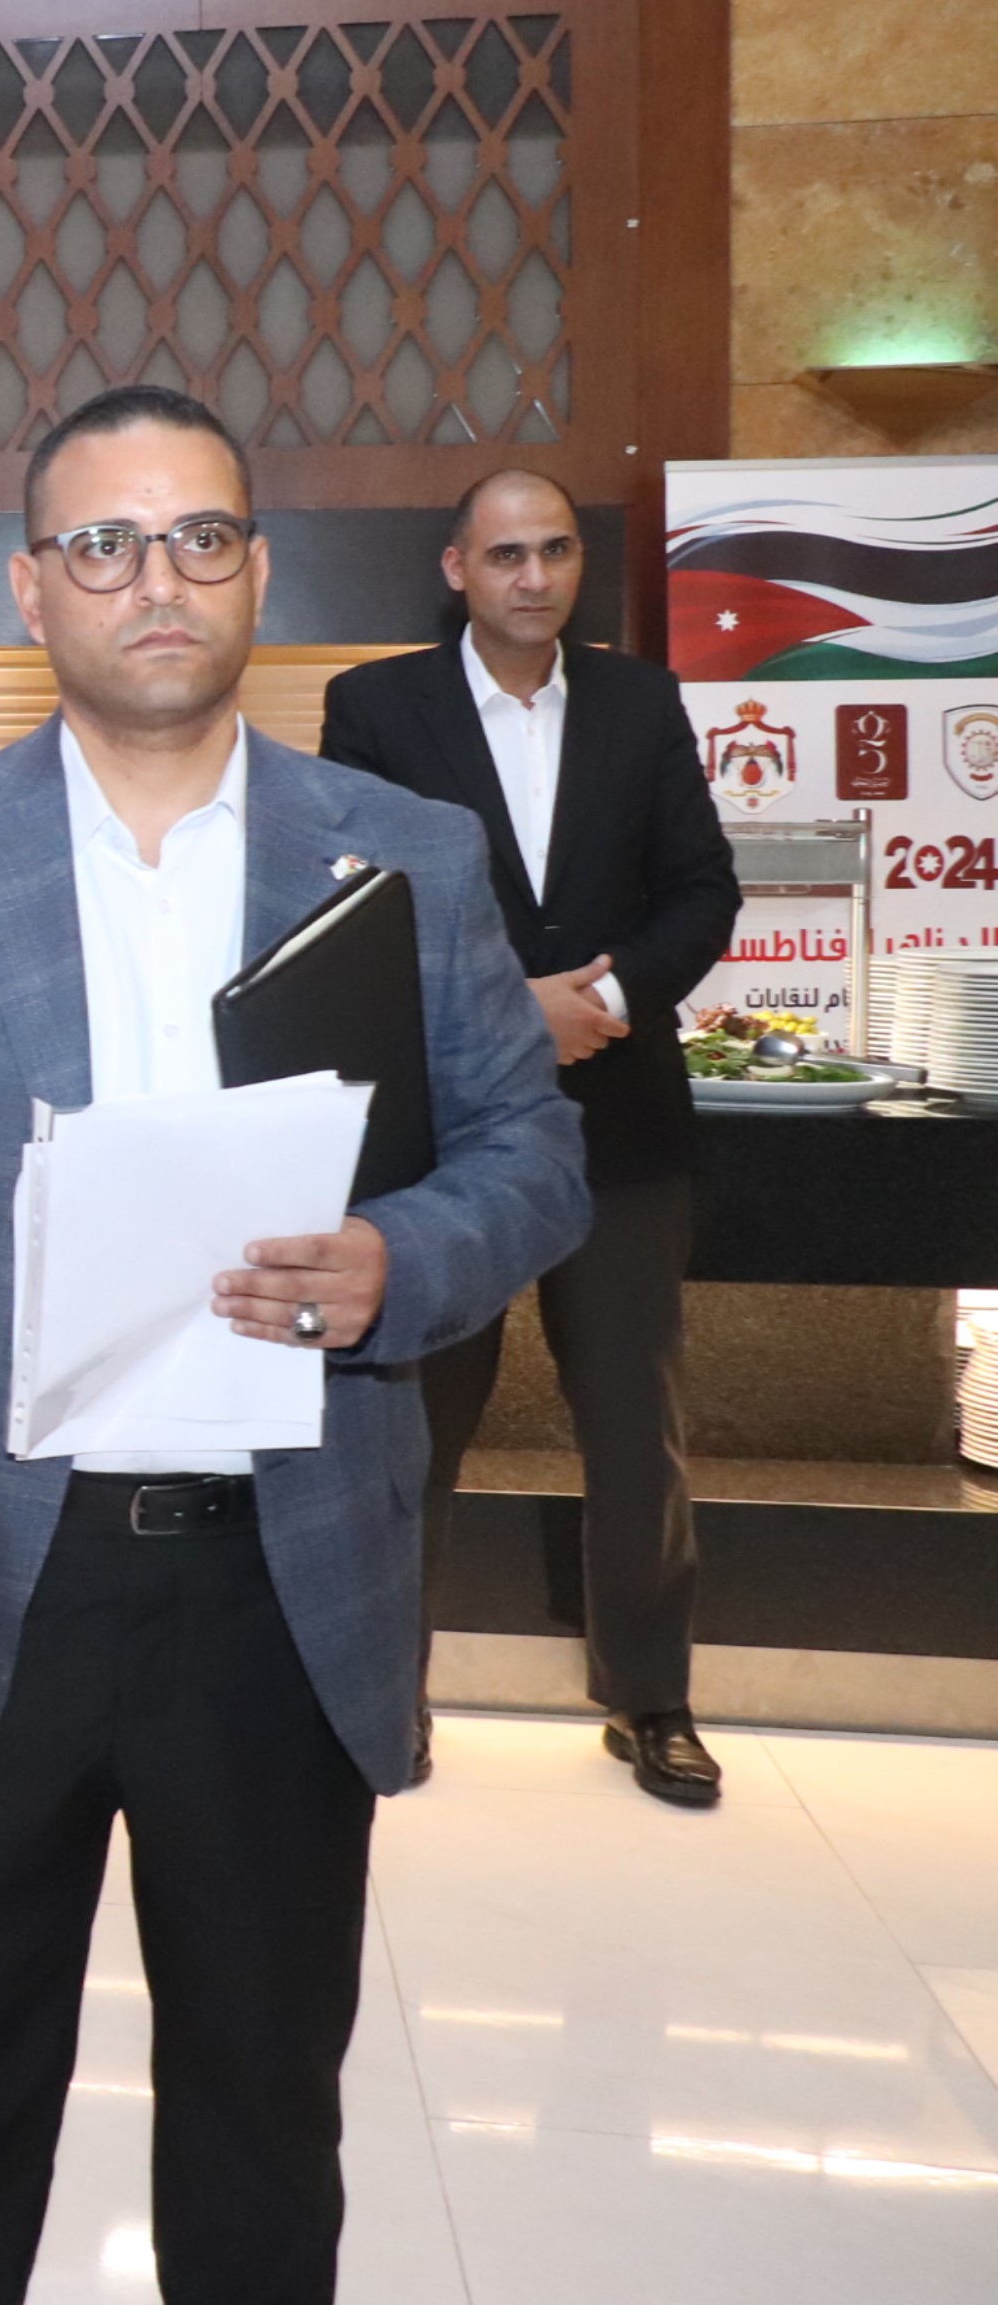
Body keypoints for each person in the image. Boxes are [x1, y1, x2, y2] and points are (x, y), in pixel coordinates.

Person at [0, 386, 589, 2305]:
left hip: (281, 1582)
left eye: (199, 536)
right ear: (31, 588)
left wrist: (399, 1258)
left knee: (263, 2118)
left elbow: (535, 1157)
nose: (157, 580)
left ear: (257, 572)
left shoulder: (404, 854)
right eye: (104, 544)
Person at [317, 467, 743, 1805]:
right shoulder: (376, 707)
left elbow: (703, 890)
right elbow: (353, 905)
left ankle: (652, 1699)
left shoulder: (639, 702)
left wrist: (603, 1004)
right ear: (457, 569)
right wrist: (514, 1011)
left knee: (634, 1424)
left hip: (620, 1126)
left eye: (555, 550)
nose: (534, 576)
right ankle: (389, 1695)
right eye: (505, 554)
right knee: (415, 1433)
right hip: (440, 1139)